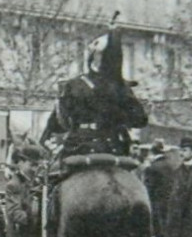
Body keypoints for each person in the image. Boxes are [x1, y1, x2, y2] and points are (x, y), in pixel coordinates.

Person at [40, 19, 148, 157]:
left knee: (52, 175)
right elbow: (140, 120)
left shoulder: (73, 85)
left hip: (80, 146)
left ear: (92, 57)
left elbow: (58, 124)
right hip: (116, 147)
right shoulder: (122, 88)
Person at [142, 141, 180, 237]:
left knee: (159, 234)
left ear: (152, 153)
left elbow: (148, 188)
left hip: (157, 204)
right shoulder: (172, 165)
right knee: (170, 233)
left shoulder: (152, 168)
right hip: (171, 203)